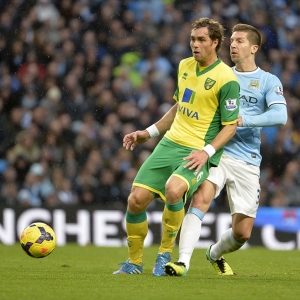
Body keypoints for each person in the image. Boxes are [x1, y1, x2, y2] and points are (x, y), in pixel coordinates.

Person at [113, 17, 240, 275]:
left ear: (215, 43)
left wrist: (207, 152)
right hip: (170, 143)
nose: (195, 44)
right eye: (193, 39)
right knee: (135, 200)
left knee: (174, 190)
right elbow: (180, 107)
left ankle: (164, 254)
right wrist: (148, 133)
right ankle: (134, 263)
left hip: (197, 150)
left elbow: (230, 126)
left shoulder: (227, 79)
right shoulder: (184, 66)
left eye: (201, 39)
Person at [164, 23, 288, 276]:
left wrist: (244, 119)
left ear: (254, 48)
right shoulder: (220, 75)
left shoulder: (267, 81)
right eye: (231, 40)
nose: (233, 44)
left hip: (248, 159)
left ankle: (214, 253)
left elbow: (280, 114)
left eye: (240, 41)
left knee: (242, 233)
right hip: (217, 151)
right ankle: (183, 262)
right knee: (200, 200)